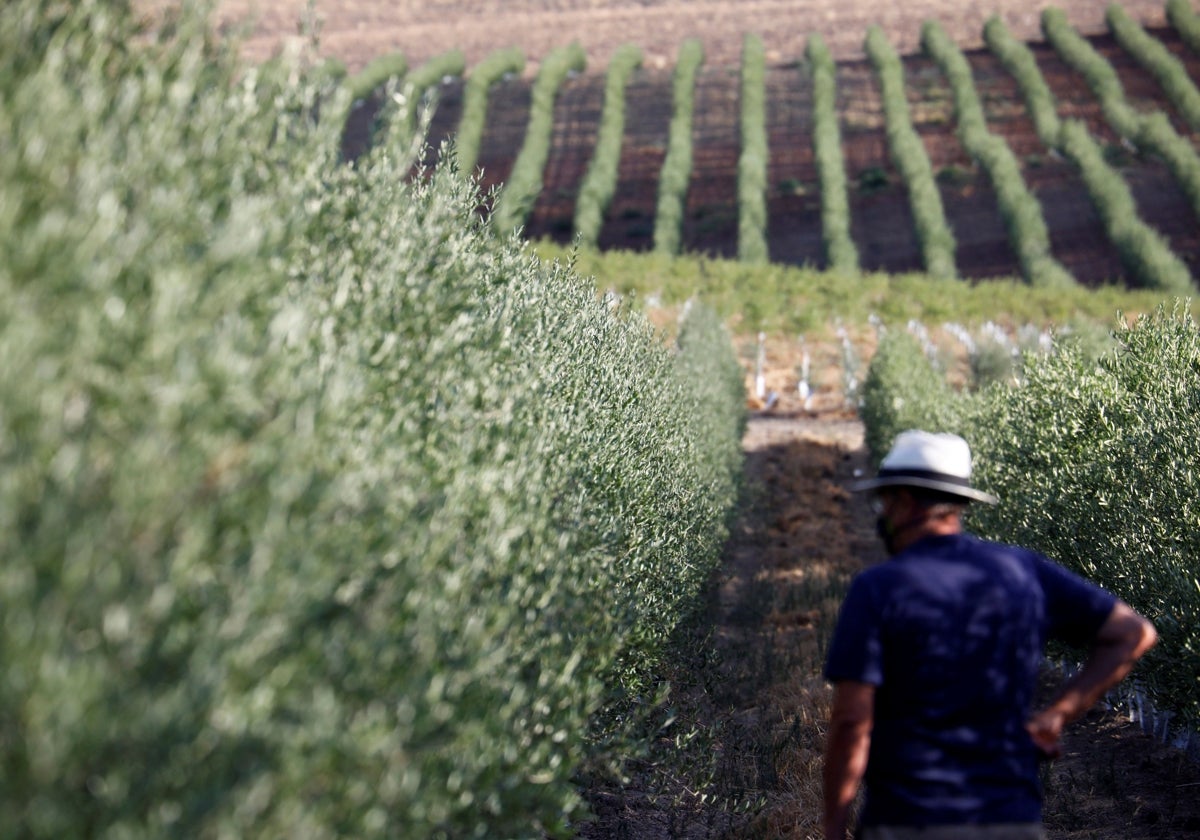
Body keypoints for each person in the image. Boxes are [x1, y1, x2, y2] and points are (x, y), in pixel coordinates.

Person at [822, 430, 1157, 840]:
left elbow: (852, 719)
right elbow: (1134, 633)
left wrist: (835, 824)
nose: (882, 516)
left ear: (906, 503)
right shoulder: (1022, 571)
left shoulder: (878, 589)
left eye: (885, 502)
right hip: (1009, 817)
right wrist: (1056, 716)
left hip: (907, 817)